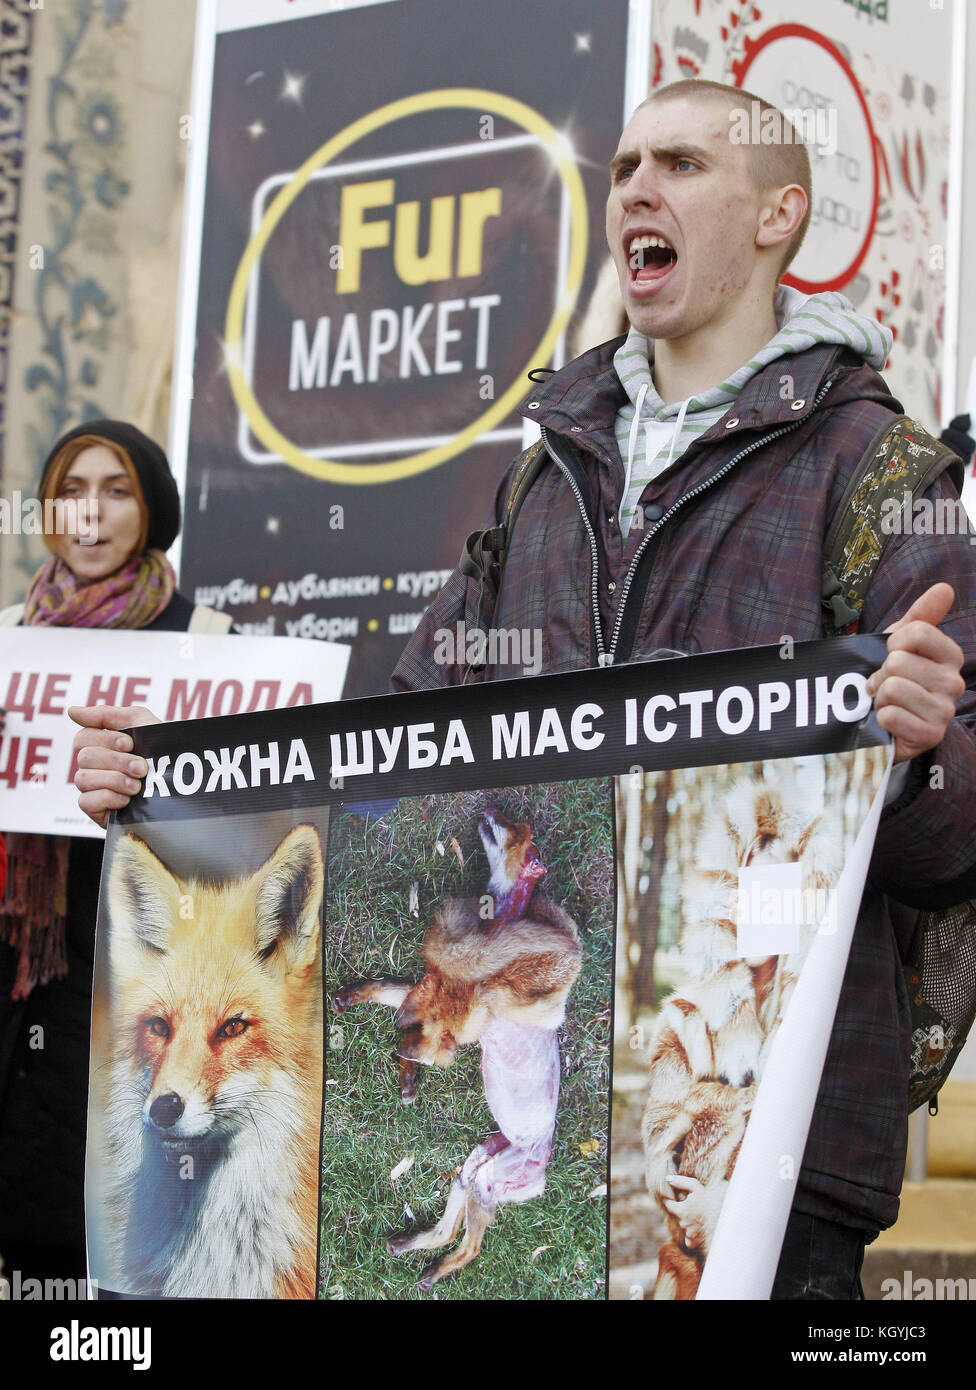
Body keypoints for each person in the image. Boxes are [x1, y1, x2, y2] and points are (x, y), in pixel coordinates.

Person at [72, 81, 975, 1299]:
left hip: (754, 1143)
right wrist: (168, 783)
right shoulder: (541, 475)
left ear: (778, 217)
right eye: (623, 168)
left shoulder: (878, 472)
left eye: (684, 165)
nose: (637, 189)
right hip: (548, 1112)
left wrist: (917, 752)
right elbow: (398, 744)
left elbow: (957, 832)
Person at [0, 420, 230, 1285]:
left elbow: (236, 820)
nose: (89, 513)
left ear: (153, 511)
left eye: (116, 491)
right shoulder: (7, 634)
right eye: (70, 490)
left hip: (142, 979)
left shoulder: (208, 640)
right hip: (24, 972)